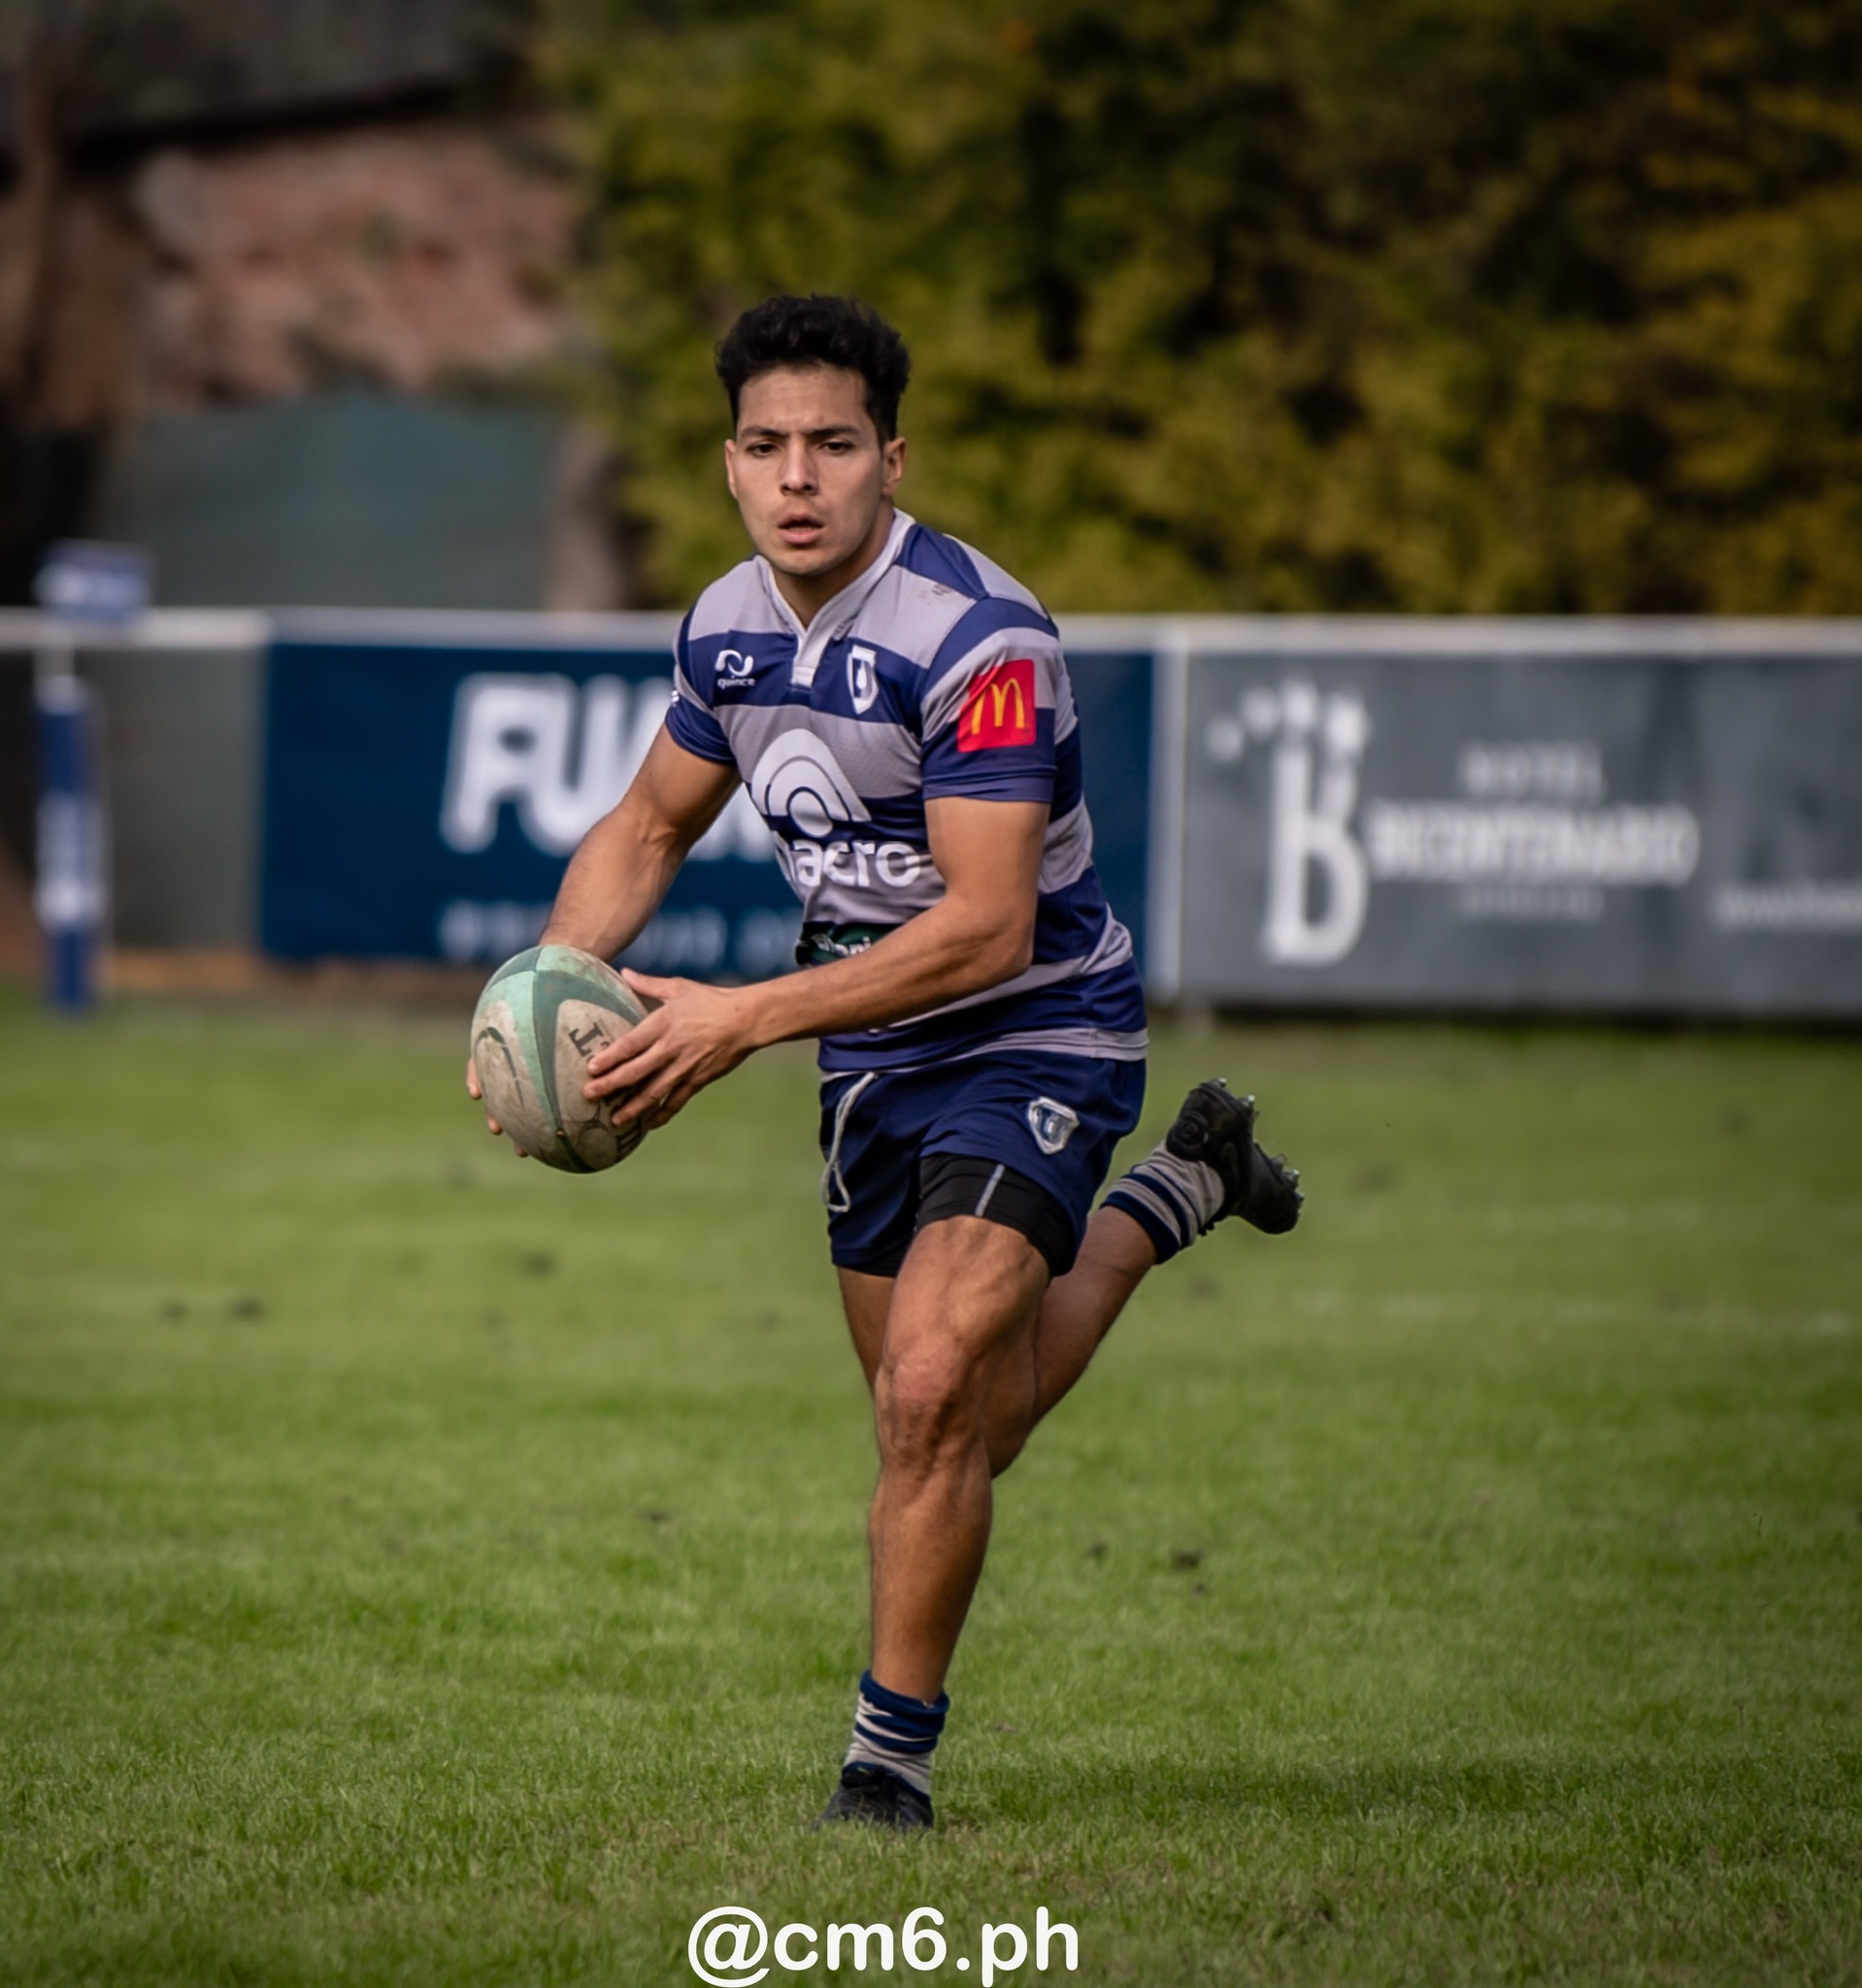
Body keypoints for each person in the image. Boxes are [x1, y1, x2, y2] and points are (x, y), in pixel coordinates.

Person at [467, 293, 1301, 1831]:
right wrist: (542, 992)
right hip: (868, 1048)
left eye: (833, 446)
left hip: (1030, 1023)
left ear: (890, 461)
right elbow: (648, 826)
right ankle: (1178, 1191)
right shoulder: (723, 624)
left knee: (928, 1395)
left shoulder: (980, 641)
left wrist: (727, 1018)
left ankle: (884, 1765)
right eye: (769, 447)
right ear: (727, 464)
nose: (799, 477)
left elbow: (984, 930)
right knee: (961, 1427)